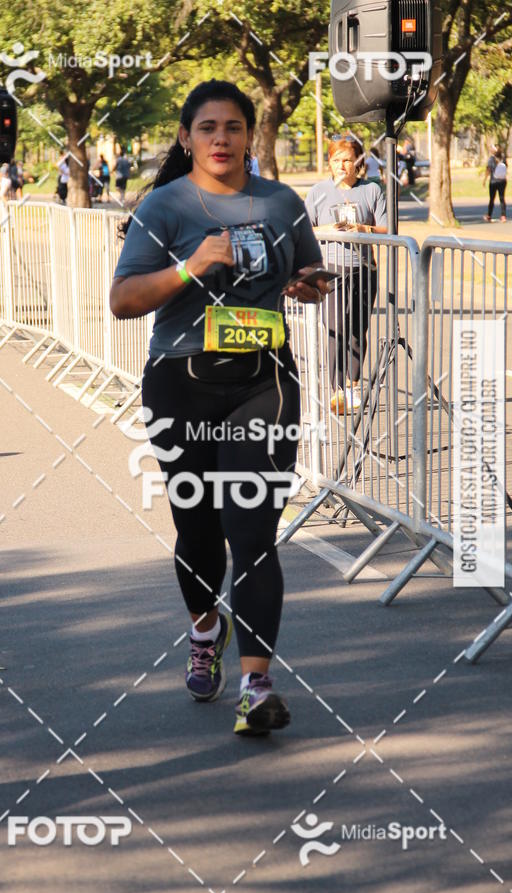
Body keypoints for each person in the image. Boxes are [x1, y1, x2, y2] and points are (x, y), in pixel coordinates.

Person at [109, 80, 331, 737]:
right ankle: (205, 627)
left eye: (233, 127)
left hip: (263, 381)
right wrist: (191, 267)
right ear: (187, 138)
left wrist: (307, 285)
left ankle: (256, 685)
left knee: (252, 531)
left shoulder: (282, 201)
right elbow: (122, 299)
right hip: (181, 381)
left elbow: (309, 275)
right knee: (199, 528)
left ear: (248, 136)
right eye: (207, 128)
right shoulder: (166, 207)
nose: (221, 139)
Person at [305, 135, 387, 413]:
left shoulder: (372, 190)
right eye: (336, 160)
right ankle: (337, 390)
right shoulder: (318, 192)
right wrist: (329, 230)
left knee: (356, 330)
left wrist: (363, 230)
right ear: (329, 163)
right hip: (331, 270)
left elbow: (387, 230)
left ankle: (352, 384)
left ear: (358, 163)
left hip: (364, 269)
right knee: (335, 329)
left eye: (348, 160)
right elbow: (305, 230)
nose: (342, 165)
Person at [483, 147, 507, 222]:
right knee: (502, 198)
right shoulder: (503, 158)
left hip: (493, 181)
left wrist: (484, 180)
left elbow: (488, 170)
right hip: (502, 181)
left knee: (492, 199)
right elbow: (506, 168)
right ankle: (503, 216)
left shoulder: (491, 159)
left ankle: (489, 215)